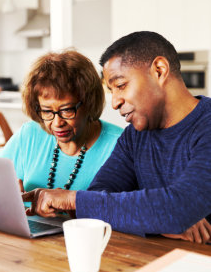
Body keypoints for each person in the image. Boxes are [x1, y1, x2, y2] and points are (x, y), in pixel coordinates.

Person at [22, 31, 211, 244]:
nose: (115, 103)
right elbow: (96, 198)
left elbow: (179, 207)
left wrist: (72, 199)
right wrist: (156, 221)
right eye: (111, 91)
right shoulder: (135, 136)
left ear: (159, 70)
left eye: (121, 86)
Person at [0, 50, 123, 194]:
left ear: (89, 103)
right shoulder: (29, 134)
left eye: (66, 110)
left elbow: (128, 208)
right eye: (46, 111)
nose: (57, 123)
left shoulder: (120, 144)